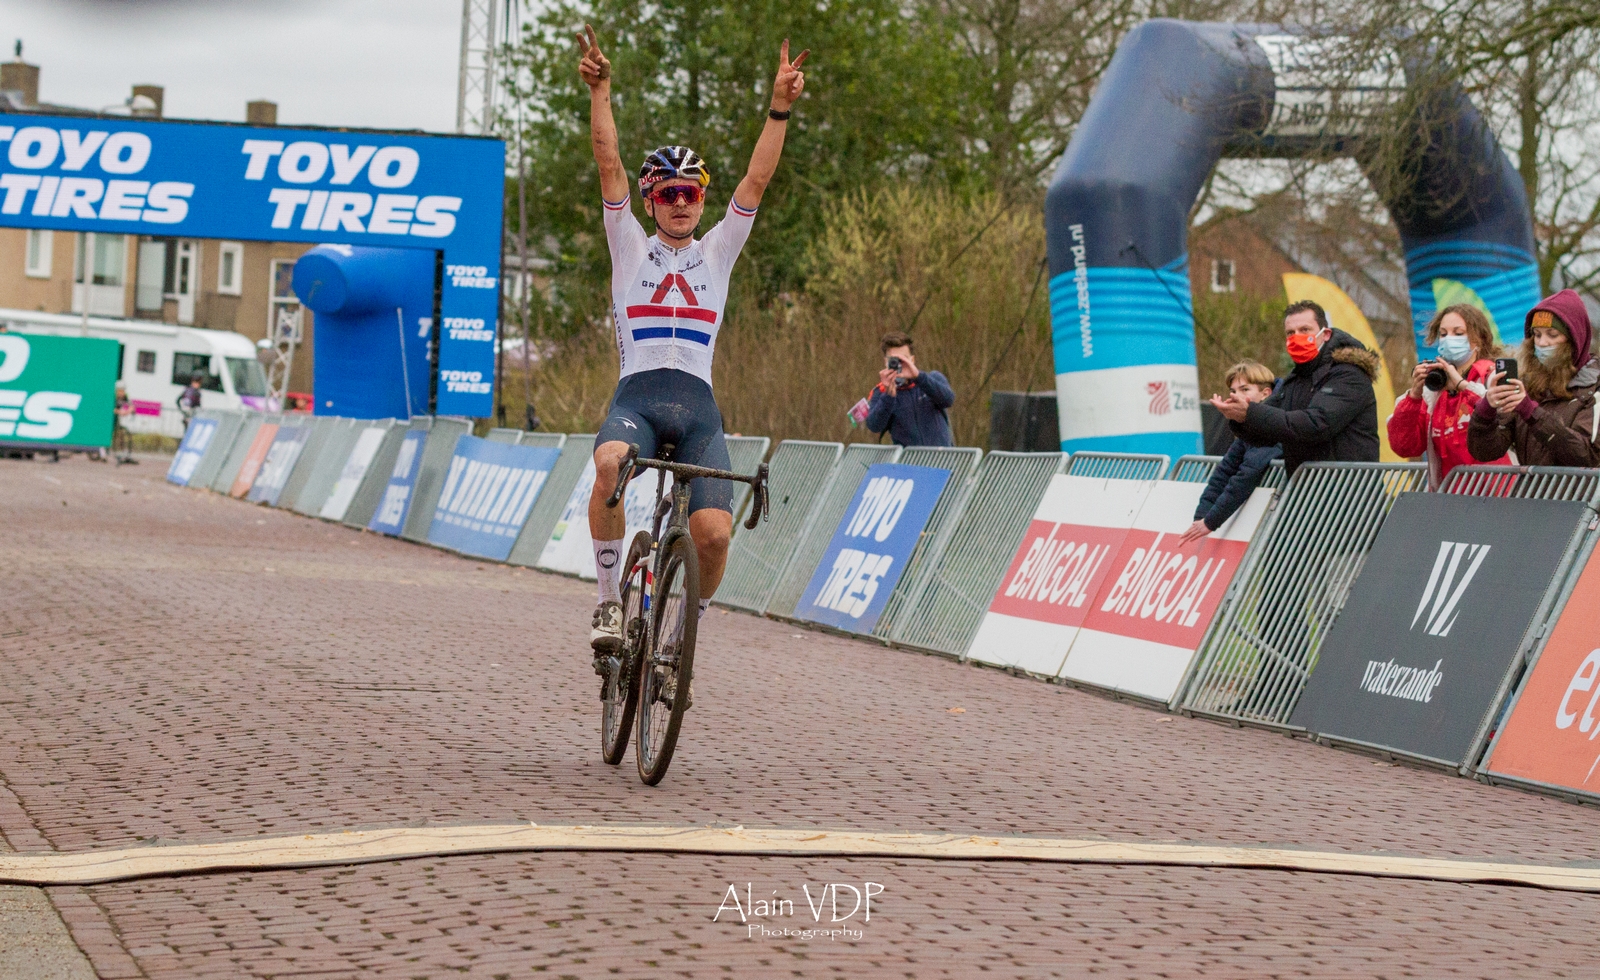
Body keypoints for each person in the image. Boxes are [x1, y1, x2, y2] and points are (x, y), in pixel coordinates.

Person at [578, 24, 808, 668]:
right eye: (669, 193)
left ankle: (683, 637)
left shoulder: (717, 251)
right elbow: (609, 163)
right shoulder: (629, 246)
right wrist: (601, 94)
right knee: (609, 464)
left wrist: (779, 106)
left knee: (713, 535)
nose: (681, 203)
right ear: (651, 202)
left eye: (692, 193)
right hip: (639, 402)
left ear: (702, 200)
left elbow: (757, 181)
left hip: (700, 412)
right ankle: (606, 601)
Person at [1211, 299, 1379, 476]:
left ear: (1326, 334)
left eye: (1305, 330)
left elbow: (1316, 424)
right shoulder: (1295, 380)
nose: (1296, 337)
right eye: (1290, 333)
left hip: (1350, 492)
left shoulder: (1348, 374)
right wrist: (1241, 418)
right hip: (1305, 490)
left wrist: (1251, 413)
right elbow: (1266, 433)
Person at [1468, 289, 1600, 467]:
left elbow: (1588, 456)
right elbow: (1485, 452)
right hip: (1531, 493)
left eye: (1552, 335)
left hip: (1577, 494)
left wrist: (1531, 412)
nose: (1542, 343)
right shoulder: (1528, 383)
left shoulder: (1593, 388)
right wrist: (1487, 409)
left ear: (1575, 339)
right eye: (1537, 335)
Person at [1388, 304, 1507, 488]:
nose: (1449, 339)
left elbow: (1501, 413)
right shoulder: (1434, 390)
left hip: (1496, 496)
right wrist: (1414, 396)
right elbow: (1405, 446)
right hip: (1449, 498)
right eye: (1443, 334)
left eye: (1458, 333)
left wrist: (1462, 386)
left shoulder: (1491, 377)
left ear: (1479, 340)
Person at [1180, 361, 1280, 546]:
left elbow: (1246, 475)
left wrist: (1211, 521)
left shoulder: (1276, 423)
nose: (1236, 396)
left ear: (1265, 394)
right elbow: (1224, 471)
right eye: (1233, 391)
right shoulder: (1248, 428)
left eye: (1245, 390)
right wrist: (1201, 518)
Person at [864, 332, 954, 448]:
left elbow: (948, 399)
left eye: (904, 359)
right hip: (909, 462)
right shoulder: (881, 392)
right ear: (886, 362)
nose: (900, 365)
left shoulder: (932, 379)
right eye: (894, 360)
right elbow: (874, 426)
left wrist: (919, 377)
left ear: (912, 360)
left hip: (940, 460)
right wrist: (889, 396)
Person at [112, 381, 137, 464]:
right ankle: (102, 451)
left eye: (123, 390)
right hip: (109, 417)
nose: (121, 393)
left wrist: (128, 411)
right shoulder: (113, 396)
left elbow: (131, 406)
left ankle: (125, 453)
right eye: (120, 390)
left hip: (117, 418)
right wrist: (120, 412)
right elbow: (109, 408)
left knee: (121, 434)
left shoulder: (125, 396)